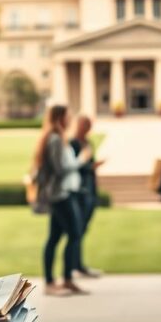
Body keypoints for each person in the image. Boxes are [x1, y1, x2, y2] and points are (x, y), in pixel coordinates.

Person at [34, 105, 90, 296]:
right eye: (68, 116)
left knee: (55, 237)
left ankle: (60, 280)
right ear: (60, 118)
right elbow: (60, 169)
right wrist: (82, 159)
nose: (71, 119)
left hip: (63, 193)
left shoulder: (58, 138)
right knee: (74, 234)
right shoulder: (56, 139)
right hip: (61, 195)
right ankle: (60, 280)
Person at [69, 115, 104, 278]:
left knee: (83, 229)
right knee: (76, 229)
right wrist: (89, 167)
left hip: (90, 189)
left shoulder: (88, 143)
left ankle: (78, 264)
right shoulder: (73, 143)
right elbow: (74, 167)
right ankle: (73, 266)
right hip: (80, 190)